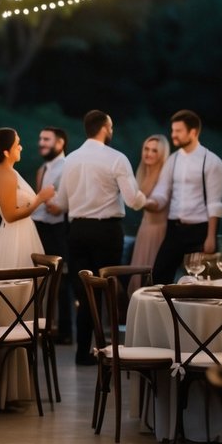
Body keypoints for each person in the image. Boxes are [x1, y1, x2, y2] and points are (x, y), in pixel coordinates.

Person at [49, 110, 150, 366]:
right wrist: (146, 197)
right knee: (106, 290)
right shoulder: (116, 158)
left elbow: (60, 202)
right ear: (105, 128)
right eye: (111, 126)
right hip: (107, 231)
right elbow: (133, 200)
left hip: (77, 231)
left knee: (84, 294)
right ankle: (108, 351)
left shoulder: (70, 160)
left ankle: (83, 352)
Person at [150, 109, 222, 285]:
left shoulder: (212, 161)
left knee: (200, 283)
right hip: (174, 229)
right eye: (172, 130)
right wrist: (148, 202)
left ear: (193, 132)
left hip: (200, 230)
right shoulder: (173, 159)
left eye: (178, 131)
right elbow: (162, 191)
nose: (173, 135)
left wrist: (211, 237)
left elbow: (215, 203)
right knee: (159, 276)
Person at [0, 128, 55, 269]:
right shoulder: (7, 175)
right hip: (17, 237)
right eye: (17, 144)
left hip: (10, 233)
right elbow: (10, 215)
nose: (20, 147)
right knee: (22, 282)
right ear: (6, 152)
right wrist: (39, 198)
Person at [31, 126, 73, 342]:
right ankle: (44, 327)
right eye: (40, 138)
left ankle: (65, 332)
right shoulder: (44, 167)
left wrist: (61, 207)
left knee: (62, 280)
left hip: (58, 230)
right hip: (41, 227)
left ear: (60, 143)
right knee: (41, 280)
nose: (42, 143)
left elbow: (71, 196)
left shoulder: (67, 166)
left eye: (46, 139)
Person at [128, 133, 171, 295]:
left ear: (161, 154)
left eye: (154, 151)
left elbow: (159, 201)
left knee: (154, 280)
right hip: (145, 229)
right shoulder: (142, 174)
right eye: (146, 149)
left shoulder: (164, 175)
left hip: (160, 231)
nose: (149, 153)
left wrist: (143, 202)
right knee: (138, 279)